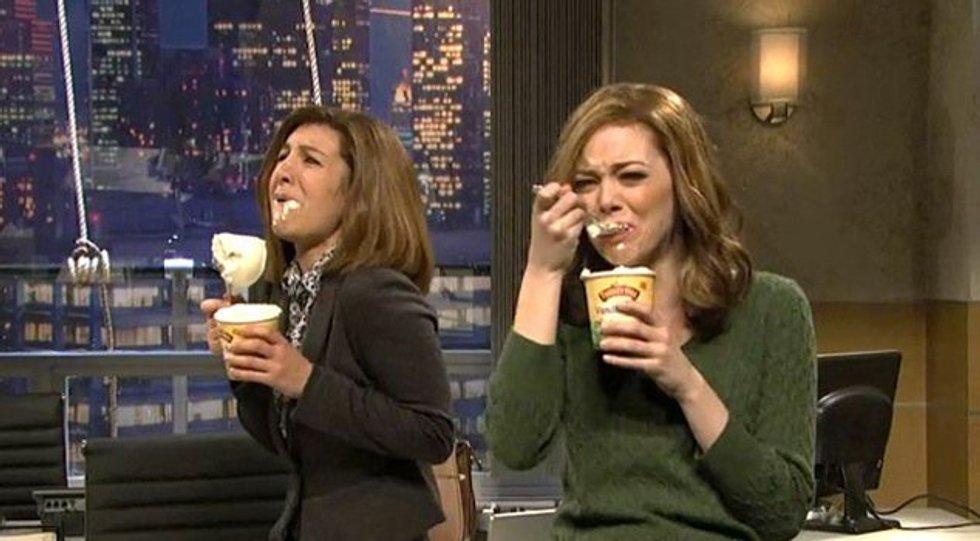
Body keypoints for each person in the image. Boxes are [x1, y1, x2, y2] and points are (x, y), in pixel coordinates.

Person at [486, 83, 816, 541]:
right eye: (587, 182)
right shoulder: (570, 311)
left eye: (631, 176)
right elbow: (514, 448)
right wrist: (542, 271)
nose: (605, 199)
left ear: (683, 182)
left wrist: (686, 384)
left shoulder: (772, 308)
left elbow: (782, 512)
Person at [201, 106, 455, 541]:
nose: (282, 171)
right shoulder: (285, 293)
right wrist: (248, 370)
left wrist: (306, 380)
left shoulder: (374, 291)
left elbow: (433, 433)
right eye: (283, 155)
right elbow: (281, 440)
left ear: (358, 192)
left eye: (310, 160)